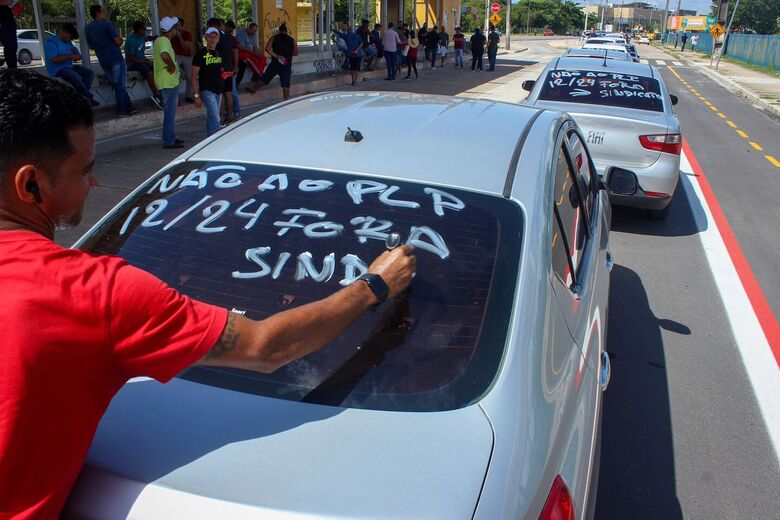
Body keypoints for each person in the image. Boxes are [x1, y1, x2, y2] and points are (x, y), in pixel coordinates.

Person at [0, 68, 415, 519]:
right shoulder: (92, 293)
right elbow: (265, 347)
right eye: (85, 171)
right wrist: (374, 284)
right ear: (30, 185)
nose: (94, 184)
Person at [85, 4, 135, 117]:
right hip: (115, 58)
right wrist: (120, 40)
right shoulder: (106, 25)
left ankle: (129, 106)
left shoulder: (88, 28)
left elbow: (91, 46)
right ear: (98, 13)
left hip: (103, 59)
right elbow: (118, 41)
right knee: (120, 85)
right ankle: (122, 110)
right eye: (103, 11)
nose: (106, 13)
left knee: (116, 85)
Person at [44, 23, 99, 107]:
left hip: (70, 67)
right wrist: (69, 56)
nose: (70, 40)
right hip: (58, 69)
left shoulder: (68, 42)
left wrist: (77, 56)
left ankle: (80, 98)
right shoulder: (51, 42)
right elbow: (54, 59)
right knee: (74, 76)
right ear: (64, 32)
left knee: (90, 73)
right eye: (70, 38)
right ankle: (87, 98)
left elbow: (75, 53)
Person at [247, 23, 298, 101]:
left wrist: (276, 56)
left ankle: (253, 89)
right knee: (286, 85)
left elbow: (267, 48)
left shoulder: (274, 37)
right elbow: (296, 53)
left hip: (275, 64)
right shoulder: (292, 40)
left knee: (265, 79)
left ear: (279, 31)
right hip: (286, 64)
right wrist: (287, 54)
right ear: (286, 31)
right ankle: (286, 101)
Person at [153, 16, 182, 149]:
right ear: (172, 29)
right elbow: (165, 55)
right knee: (170, 113)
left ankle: (170, 136)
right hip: (168, 82)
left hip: (168, 82)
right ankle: (169, 140)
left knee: (170, 112)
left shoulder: (160, 40)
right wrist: (171, 65)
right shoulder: (164, 40)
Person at [192, 27, 225, 136]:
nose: (212, 39)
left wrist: (224, 74)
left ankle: (210, 138)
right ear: (206, 38)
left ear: (218, 39)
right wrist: (196, 95)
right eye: (210, 37)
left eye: (215, 37)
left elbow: (219, 71)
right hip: (207, 90)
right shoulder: (200, 54)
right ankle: (215, 139)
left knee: (213, 116)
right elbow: (193, 76)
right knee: (215, 116)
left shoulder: (218, 53)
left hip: (218, 90)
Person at [125, 21, 164, 110]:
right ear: (139, 30)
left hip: (142, 60)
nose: (145, 30)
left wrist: (156, 37)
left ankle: (162, 90)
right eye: (144, 29)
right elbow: (131, 58)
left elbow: (148, 38)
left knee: (158, 67)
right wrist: (146, 62)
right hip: (133, 63)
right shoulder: (131, 40)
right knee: (149, 73)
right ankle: (157, 95)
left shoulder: (142, 36)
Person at [332, 21, 364, 87]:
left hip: (351, 54)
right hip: (358, 54)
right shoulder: (357, 36)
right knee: (357, 68)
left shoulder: (346, 36)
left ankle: (353, 81)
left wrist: (332, 29)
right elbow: (362, 43)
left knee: (352, 68)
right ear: (352, 30)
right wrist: (357, 50)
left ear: (347, 30)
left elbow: (338, 33)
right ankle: (356, 80)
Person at [171, 18, 195, 103]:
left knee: (190, 77)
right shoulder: (171, 34)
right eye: (175, 26)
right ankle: (175, 97)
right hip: (176, 56)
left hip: (186, 56)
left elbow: (185, 48)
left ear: (182, 26)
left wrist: (179, 36)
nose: (177, 28)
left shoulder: (187, 34)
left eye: (178, 26)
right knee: (175, 74)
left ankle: (188, 96)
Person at [222, 20, 241, 123]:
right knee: (227, 93)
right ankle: (228, 114)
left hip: (229, 69)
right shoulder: (222, 38)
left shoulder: (231, 39)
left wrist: (235, 67)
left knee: (232, 92)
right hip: (225, 69)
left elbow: (235, 53)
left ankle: (236, 113)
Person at [0, 1, 18, 69]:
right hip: (5, 26)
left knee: (12, 49)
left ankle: (13, 69)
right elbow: (9, 1)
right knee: (10, 48)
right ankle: (12, 70)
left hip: (9, 25)